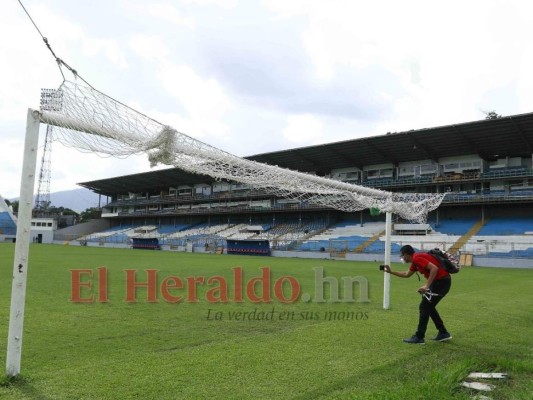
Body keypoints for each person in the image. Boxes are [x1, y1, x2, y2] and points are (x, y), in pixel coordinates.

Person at [382, 244, 452, 344]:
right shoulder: (415, 261)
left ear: (406, 254)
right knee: (429, 307)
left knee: (424, 307)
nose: (402, 258)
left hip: (441, 282)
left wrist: (426, 286)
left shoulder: (417, 258)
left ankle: (419, 337)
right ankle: (443, 333)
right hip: (440, 282)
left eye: (402, 255)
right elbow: (406, 274)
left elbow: (434, 269)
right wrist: (391, 272)